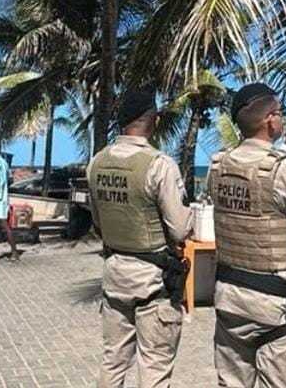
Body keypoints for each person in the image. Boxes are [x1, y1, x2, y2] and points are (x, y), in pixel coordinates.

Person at [209, 82, 286, 388]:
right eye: (280, 113)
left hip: (229, 295)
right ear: (270, 119)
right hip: (275, 302)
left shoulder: (218, 166)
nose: (282, 120)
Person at [87, 89, 193, 388]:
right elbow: (179, 229)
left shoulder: (97, 162)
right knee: (154, 368)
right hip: (153, 279)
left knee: (113, 361)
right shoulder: (159, 164)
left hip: (114, 273)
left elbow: (98, 222)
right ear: (153, 120)